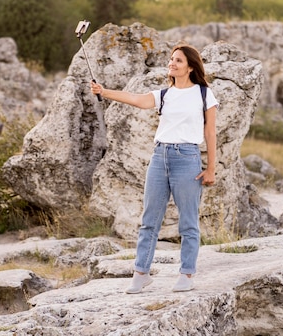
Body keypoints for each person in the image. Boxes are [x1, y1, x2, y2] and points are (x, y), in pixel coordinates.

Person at [90, 44, 218, 293]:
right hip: (159, 157)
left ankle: (187, 273)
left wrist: (211, 167)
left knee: (188, 222)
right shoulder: (164, 94)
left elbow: (210, 132)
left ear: (190, 67)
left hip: (187, 157)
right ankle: (141, 273)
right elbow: (136, 100)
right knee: (149, 220)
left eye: (178, 61)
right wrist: (104, 92)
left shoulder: (204, 94)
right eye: (171, 60)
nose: (172, 63)